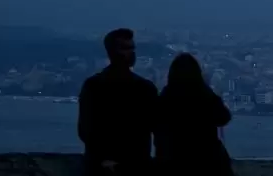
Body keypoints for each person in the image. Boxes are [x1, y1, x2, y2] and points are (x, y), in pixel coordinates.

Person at [77, 28, 158, 176]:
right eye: (126, 48)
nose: (131, 52)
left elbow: (86, 129)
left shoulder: (93, 85)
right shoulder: (144, 88)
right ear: (112, 52)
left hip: (110, 165)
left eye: (132, 48)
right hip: (132, 165)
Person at [156, 52, 233, 176]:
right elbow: (224, 117)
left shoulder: (166, 96)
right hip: (207, 160)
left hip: (173, 161)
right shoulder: (204, 95)